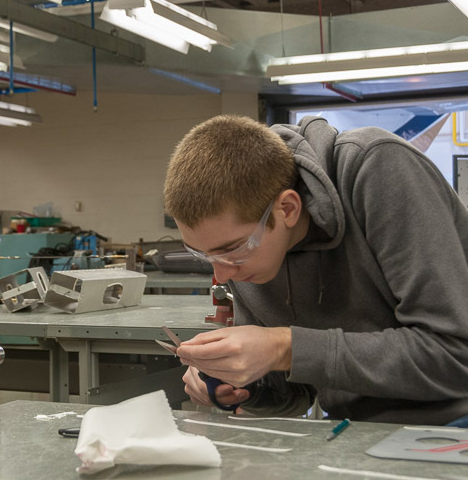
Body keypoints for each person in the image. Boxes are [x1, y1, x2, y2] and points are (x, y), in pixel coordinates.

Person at [164, 115, 468, 427]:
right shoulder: (248, 249)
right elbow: (297, 395)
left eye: (232, 250)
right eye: (203, 255)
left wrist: (287, 348)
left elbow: (456, 356)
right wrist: (243, 384)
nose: (223, 274)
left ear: (288, 209)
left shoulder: (377, 167)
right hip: (354, 429)